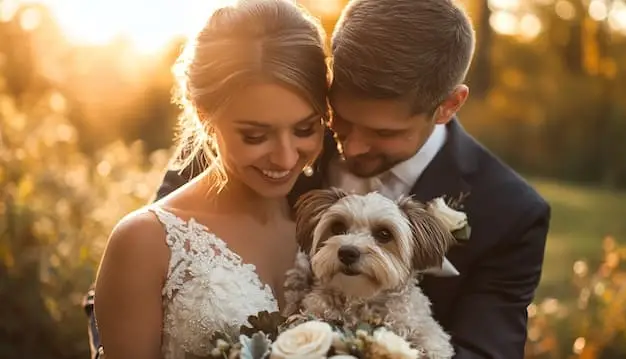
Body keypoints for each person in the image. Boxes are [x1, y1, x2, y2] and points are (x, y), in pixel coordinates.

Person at [87, 0, 551, 358]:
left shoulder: (510, 214)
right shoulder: (269, 112)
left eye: (384, 133)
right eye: (337, 121)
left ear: (448, 105)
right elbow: (155, 259)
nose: (349, 145)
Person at [91, 0, 330, 358]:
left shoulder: (328, 227)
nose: (285, 157)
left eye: (305, 129)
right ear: (204, 116)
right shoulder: (145, 243)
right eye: (255, 136)